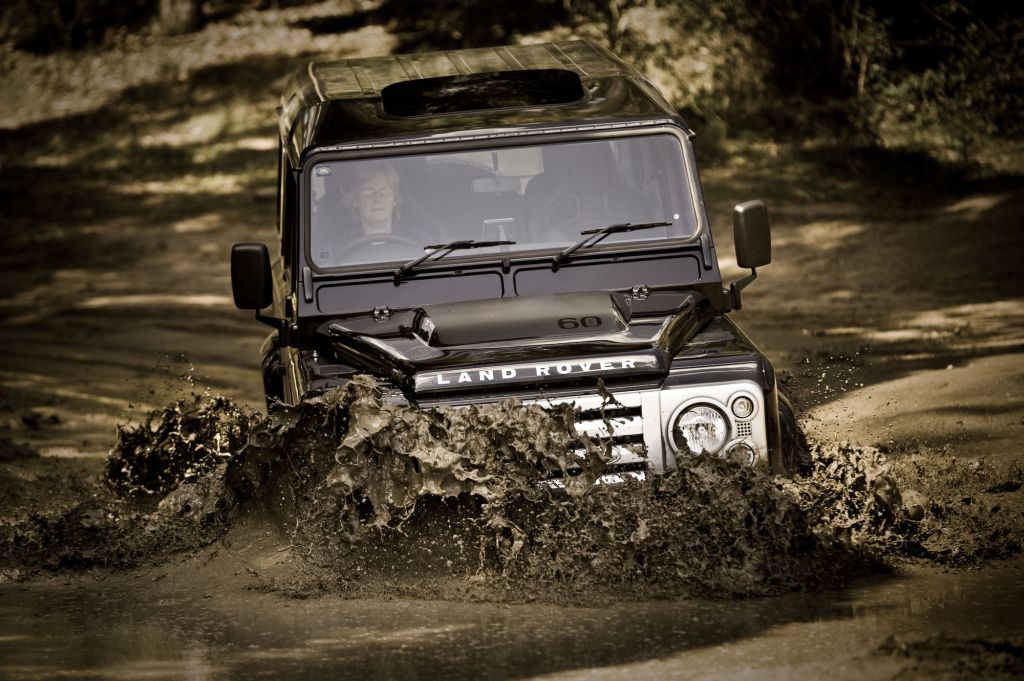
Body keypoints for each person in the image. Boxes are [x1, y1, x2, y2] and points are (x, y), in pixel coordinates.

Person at [347, 161, 401, 235]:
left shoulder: (417, 238)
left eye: (384, 191)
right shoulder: (339, 245)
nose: (378, 198)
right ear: (355, 200)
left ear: (395, 200)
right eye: (369, 191)